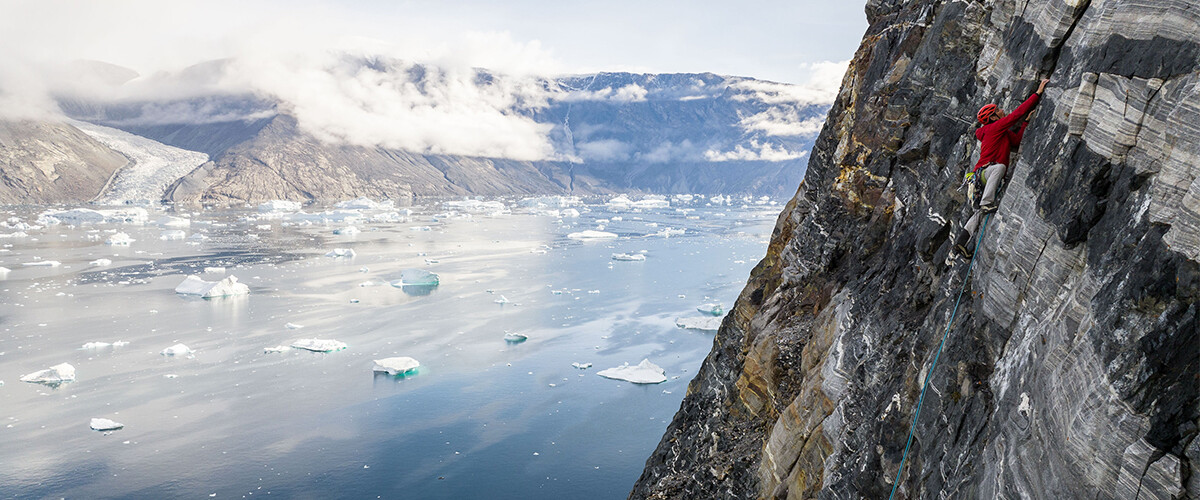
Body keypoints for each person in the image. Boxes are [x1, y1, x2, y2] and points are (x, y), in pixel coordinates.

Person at [953, 78, 1050, 258]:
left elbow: (1016, 141)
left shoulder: (1000, 133)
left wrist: (1025, 124)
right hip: (987, 172)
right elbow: (1016, 114)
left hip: (981, 177)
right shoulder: (994, 128)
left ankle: (960, 243)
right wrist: (1038, 92)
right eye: (998, 110)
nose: (1002, 110)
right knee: (1000, 168)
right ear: (993, 118)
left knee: (979, 214)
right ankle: (987, 203)